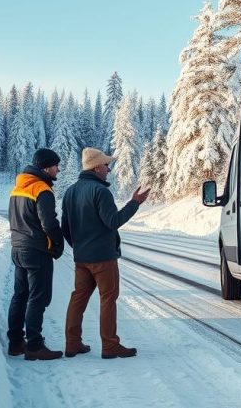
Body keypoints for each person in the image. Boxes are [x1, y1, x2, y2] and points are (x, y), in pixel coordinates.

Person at [61, 147, 150, 359]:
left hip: (82, 257)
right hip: (103, 258)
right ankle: (110, 345)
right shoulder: (101, 191)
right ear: (96, 167)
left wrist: (78, 246)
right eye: (106, 165)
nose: (108, 169)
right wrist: (134, 203)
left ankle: (72, 343)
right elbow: (114, 221)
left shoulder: (70, 192)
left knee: (78, 298)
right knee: (108, 299)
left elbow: (65, 226)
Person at [7, 148, 66, 360]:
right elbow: (49, 223)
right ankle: (34, 345)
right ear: (46, 167)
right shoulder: (42, 190)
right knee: (38, 298)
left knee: (20, 296)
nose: (58, 169)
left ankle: (15, 342)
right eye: (56, 165)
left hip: (18, 249)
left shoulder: (17, 189)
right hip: (37, 251)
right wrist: (57, 244)